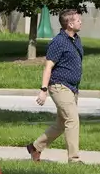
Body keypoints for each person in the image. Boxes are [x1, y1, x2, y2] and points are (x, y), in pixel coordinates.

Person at [26, 9, 84, 163]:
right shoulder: (58, 42)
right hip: (59, 86)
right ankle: (74, 159)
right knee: (72, 120)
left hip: (72, 88)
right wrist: (43, 90)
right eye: (78, 20)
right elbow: (48, 67)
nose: (81, 21)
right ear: (70, 24)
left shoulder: (76, 39)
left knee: (61, 124)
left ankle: (35, 147)